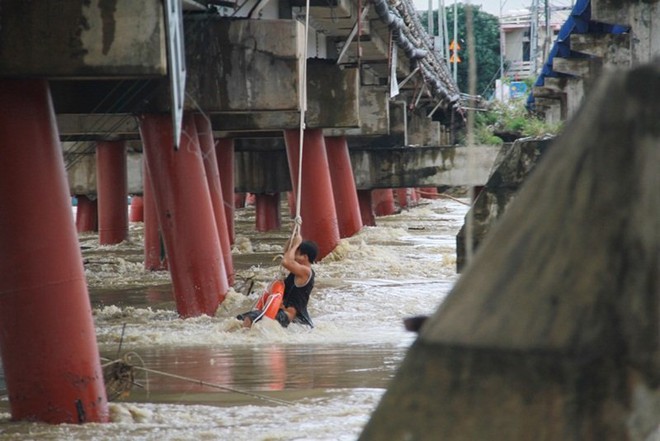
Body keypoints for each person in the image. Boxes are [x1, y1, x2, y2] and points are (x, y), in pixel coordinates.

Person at [237, 233, 318, 329]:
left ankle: (246, 341)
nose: (294, 256)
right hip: (281, 312)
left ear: (305, 257)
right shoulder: (298, 269)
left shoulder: (306, 271)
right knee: (240, 319)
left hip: (289, 317)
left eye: (296, 253)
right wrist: (293, 238)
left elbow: (286, 261)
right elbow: (287, 254)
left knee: (250, 319)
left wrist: (296, 244)